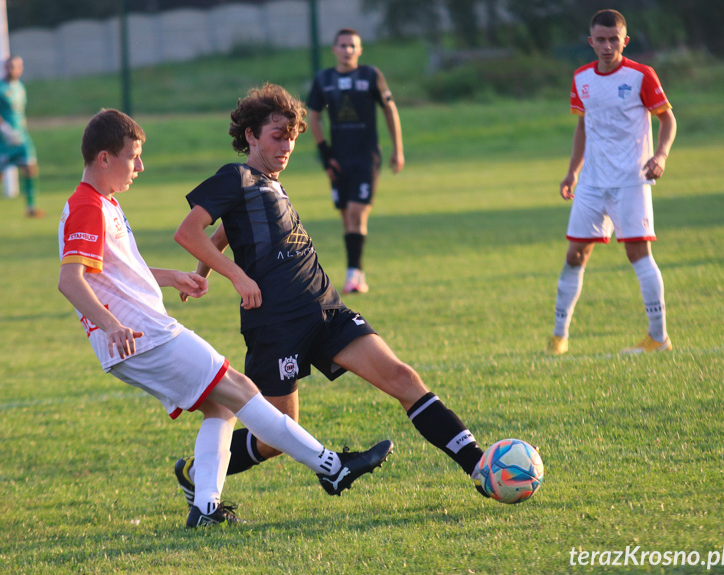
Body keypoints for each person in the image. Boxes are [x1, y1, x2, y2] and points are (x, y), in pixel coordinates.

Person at [57, 109, 393, 529]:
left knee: (220, 407)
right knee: (241, 389)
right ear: (104, 158)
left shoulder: (104, 203)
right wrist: (112, 325)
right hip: (144, 337)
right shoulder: (86, 206)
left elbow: (112, 272)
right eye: (133, 157)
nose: (140, 167)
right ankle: (332, 467)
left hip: (137, 340)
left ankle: (206, 508)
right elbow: (70, 280)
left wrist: (170, 276)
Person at [173, 84, 491, 506]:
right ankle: (200, 471)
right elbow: (188, 231)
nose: (287, 145)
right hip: (276, 324)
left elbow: (228, 230)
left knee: (403, 378)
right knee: (277, 434)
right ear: (250, 135)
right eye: (277, 135)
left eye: (292, 136)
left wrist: (203, 271)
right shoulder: (235, 176)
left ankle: (480, 466)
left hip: (325, 310)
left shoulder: (268, 184)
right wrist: (235, 277)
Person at [547, 9, 677, 356]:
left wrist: (660, 156)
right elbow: (582, 127)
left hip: (631, 180)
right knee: (575, 254)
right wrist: (573, 171)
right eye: (600, 40)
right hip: (591, 183)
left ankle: (658, 337)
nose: (607, 46)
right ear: (591, 42)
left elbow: (668, 120)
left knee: (638, 253)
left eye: (613, 40)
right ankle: (559, 337)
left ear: (625, 41)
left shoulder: (641, 75)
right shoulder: (581, 78)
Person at [306, 28, 404, 294]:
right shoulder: (324, 79)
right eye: (343, 45)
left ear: (360, 50)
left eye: (353, 45)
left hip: (366, 158)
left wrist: (398, 149)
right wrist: (325, 153)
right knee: (346, 217)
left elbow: (389, 109)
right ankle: (356, 272)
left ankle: (354, 275)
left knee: (356, 212)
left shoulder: (370, 75)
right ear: (334, 49)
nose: (348, 50)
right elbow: (312, 116)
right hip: (338, 159)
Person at [0, 56, 43, 220]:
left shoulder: (20, 87)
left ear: (21, 68)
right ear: (4, 68)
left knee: (30, 167)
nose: (13, 70)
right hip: (2, 139)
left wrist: (20, 129)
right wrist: (5, 130)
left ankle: (31, 207)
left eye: (16, 67)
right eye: (9, 67)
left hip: (21, 136)